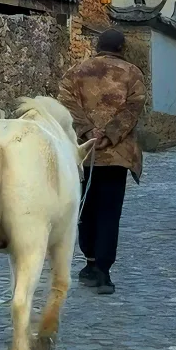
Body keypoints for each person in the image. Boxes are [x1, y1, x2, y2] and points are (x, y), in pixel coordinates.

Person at [58, 27, 146, 296]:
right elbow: (134, 107)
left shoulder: (76, 72)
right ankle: (104, 273)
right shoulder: (132, 74)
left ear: (97, 46)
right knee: (109, 213)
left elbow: (66, 102)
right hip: (116, 156)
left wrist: (87, 131)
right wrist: (109, 135)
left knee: (84, 209)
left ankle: (90, 262)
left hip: (83, 154)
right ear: (121, 48)